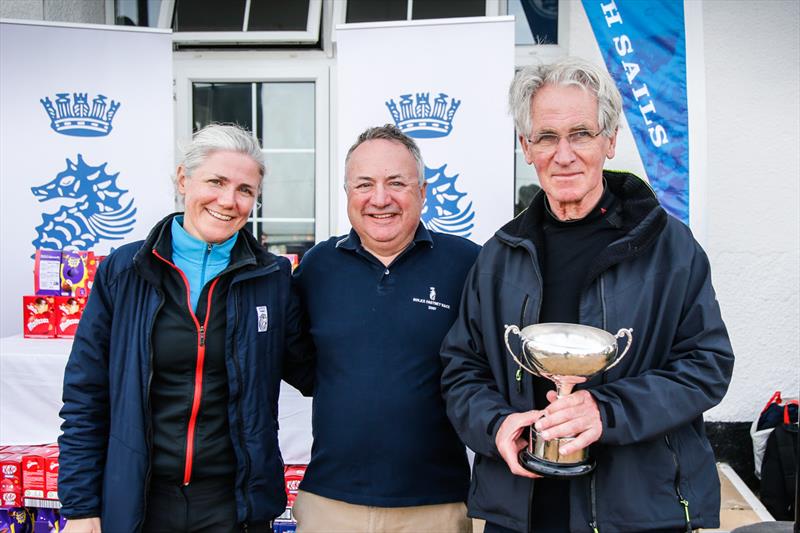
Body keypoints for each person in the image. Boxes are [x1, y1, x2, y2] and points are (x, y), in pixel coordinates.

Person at [439, 57, 735, 532]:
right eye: (547, 137)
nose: (564, 154)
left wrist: (607, 410)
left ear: (610, 141)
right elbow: (461, 370)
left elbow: (707, 365)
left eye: (581, 133)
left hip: (640, 512)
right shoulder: (499, 255)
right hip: (521, 512)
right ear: (526, 147)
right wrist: (497, 425)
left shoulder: (670, 248)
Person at [58, 124, 313, 533]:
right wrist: (80, 506)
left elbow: (315, 371)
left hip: (234, 506)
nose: (229, 201)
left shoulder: (273, 278)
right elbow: (86, 396)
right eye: (216, 181)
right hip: (140, 502)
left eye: (245, 190)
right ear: (183, 179)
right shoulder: (123, 272)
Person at [290, 125, 480, 532]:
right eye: (364, 184)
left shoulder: (468, 264)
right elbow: (304, 365)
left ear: (423, 192)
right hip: (330, 503)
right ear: (347, 195)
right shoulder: (317, 267)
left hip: (439, 507)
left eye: (397, 183)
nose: (380, 199)